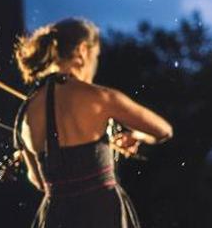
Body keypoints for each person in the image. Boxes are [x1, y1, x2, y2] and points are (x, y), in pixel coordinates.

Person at [13, 17, 173, 228]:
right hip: (101, 214)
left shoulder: (26, 112)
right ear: (82, 51)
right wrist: (136, 136)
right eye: (95, 56)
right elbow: (163, 130)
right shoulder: (101, 98)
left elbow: (38, 181)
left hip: (56, 217)